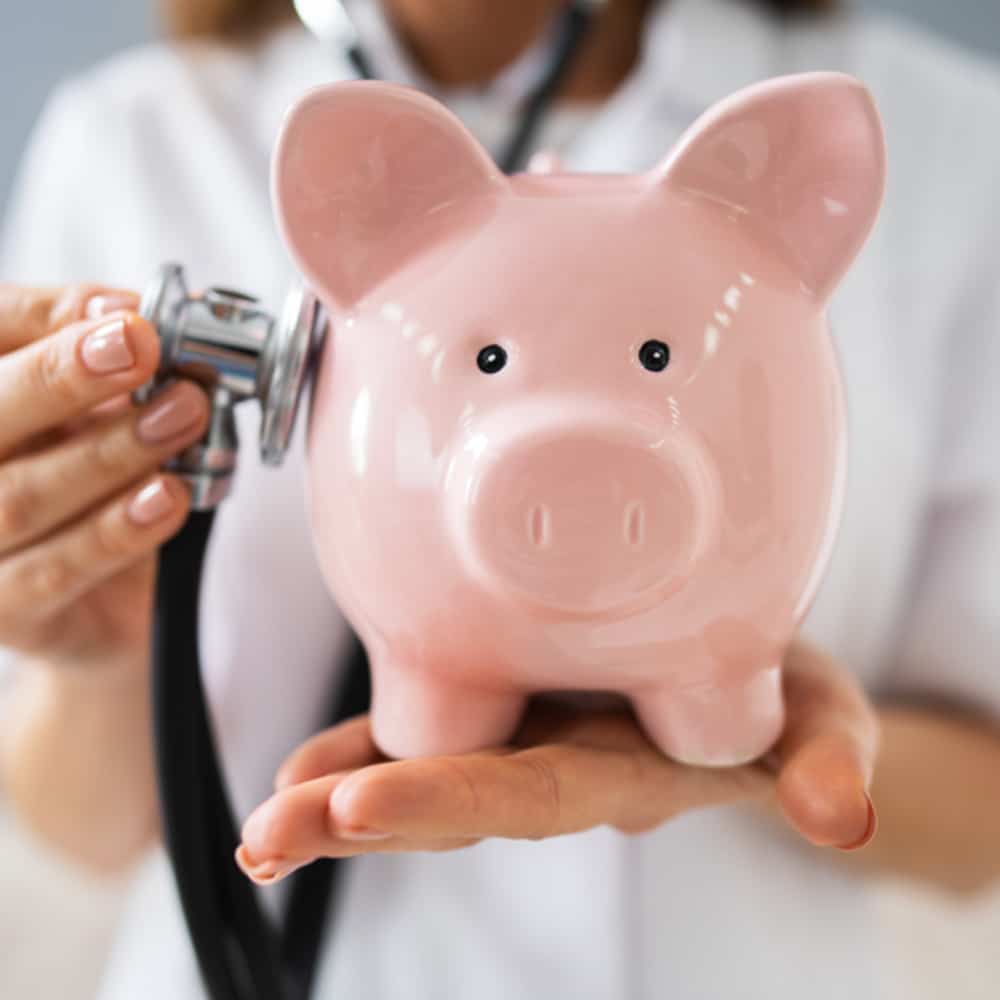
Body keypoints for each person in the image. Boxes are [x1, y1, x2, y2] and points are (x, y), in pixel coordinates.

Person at [0, 0, 998, 997]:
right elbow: (72, 830)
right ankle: (444, 687)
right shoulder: (134, 141)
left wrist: (764, 750)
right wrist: (115, 639)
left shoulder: (945, 141)